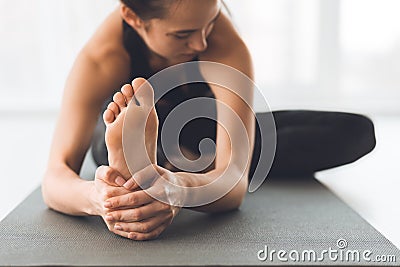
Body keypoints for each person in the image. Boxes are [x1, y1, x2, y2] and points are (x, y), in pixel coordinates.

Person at [42, 0, 376, 241]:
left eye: (211, 22)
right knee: (108, 131)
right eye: (182, 34)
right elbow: (55, 177)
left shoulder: (226, 45)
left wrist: (178, 189)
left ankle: (163, 162)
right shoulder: (103, 56)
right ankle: (138, 160)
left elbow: (234, 183)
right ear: (131, 16)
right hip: (146, 135)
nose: (201, 43)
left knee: (356, 131)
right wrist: (99, 200)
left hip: (209, 132)